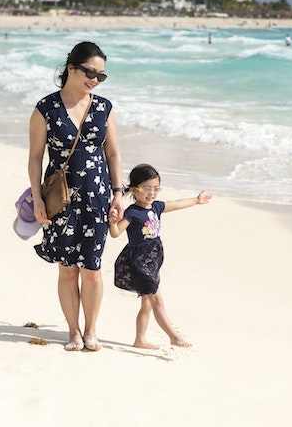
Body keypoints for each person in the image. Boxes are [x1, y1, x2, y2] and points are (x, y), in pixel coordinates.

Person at [28, 41, 125, 352]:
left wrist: (118, 194)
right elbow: (35, 158)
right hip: (62, 200)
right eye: (90, 72)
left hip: (97, 198)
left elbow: (113, 154)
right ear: (71, 67)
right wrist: (37, 199)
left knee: (92, 270)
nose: (95, 80)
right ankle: (73, 332)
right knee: (68, 269)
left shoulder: (103, 108)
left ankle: (91, 330)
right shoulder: (46, 109)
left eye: (101, 76)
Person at [109, 163, 212, 349]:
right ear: (134, 189)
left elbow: (177, 204)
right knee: (157, 299)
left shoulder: (155, 207)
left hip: (154, 259)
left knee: (147, 303)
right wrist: (113, 222)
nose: (152, 193)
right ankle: (173, 336)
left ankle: (140, 339)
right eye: (147, 188)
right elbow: (116, 233)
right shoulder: (132, 212)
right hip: (139, 261)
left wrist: (196, 200)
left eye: (156, 188)